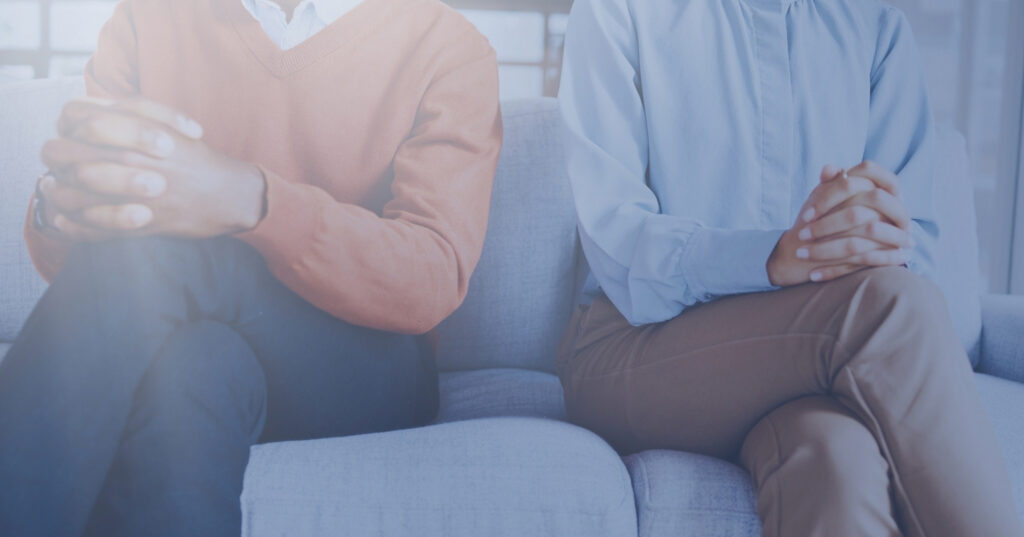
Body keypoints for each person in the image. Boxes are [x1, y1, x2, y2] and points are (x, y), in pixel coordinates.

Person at [0, 0, 501, 535]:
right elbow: (90, 277)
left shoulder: (447, 45)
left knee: (161, 248)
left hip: (365, 357)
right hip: (194, 336)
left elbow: (431, 277)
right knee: (195, 368)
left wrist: (247, 198)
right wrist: (60, 207)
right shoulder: (147, 18)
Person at [556, 0, 1023, 536]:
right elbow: (618, 239)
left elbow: (919, 260)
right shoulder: (621, 11)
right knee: (891, 304)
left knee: (837, 461)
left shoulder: (873, 24)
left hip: (813, 365)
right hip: (636, 349)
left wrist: (877, 240)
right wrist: (772, 257)